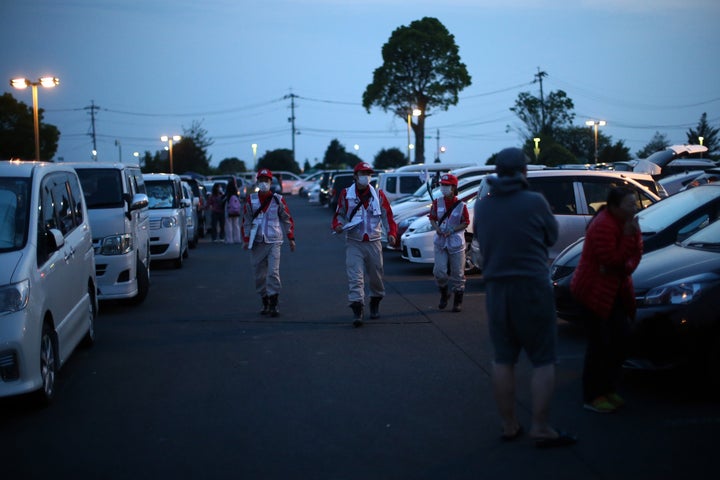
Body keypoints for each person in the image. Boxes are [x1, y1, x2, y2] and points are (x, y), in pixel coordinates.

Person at [473, 147, 577, 448]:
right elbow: (551, 236)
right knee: (543, 359)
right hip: (532, 287)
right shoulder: (534, 201)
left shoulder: (484, 206)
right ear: (523, 171)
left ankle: (509, 425)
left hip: (496, 290)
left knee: (503, 359)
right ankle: (541, 427)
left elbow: (482, 237)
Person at [571, 187, 642, 414]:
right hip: (592, 292)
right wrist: (625, 254)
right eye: (630, 204)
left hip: (615, 290)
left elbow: (635, 255)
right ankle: (592, 396)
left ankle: (607, 388)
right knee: (599, 345)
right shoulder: (603, 224)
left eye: (634, 203)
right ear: (614, 207)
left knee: (620, 341)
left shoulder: (629, 224)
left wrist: (625, 263)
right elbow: (612, 260)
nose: (635, 208)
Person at [332, 162, 398, 327]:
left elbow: (387, 216)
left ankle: (375, 301)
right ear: (355, 176)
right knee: (355, 277)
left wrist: (391, 234)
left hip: (374, 243)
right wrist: (338, 225)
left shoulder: (378, 194)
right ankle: (357, 309)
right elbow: (339, 214)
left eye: (368, 173)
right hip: (354, 242)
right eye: (362, 173)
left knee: (376, 277)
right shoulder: (346, 194)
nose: (365, 176)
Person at [241, 169, 296, 317]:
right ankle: (264, 299)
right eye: (262, 180)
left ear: (271, 182)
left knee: (273, 273)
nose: (264, 183)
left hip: (274, 241)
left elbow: (286, 218)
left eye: (267, 180)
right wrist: (246, 239)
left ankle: (273, 302)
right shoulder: (251, 200)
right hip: (257, 242)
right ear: (258, 182)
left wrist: (291, 237)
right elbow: (246, 221)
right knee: (259, 276)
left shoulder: (278, 199)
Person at [429, 173, 469, 312]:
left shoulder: (461, 205)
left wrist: (452, 229)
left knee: (458, 273)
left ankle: (458, 297)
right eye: (442, 185)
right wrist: (437, 229)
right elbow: (432, 218)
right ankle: (444, 293)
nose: (443, 188)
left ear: (454, 187)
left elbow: (465, 223)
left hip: (456, 242)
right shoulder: (437, 202)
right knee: (439, 271)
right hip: (440, 241)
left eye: (447, 185)